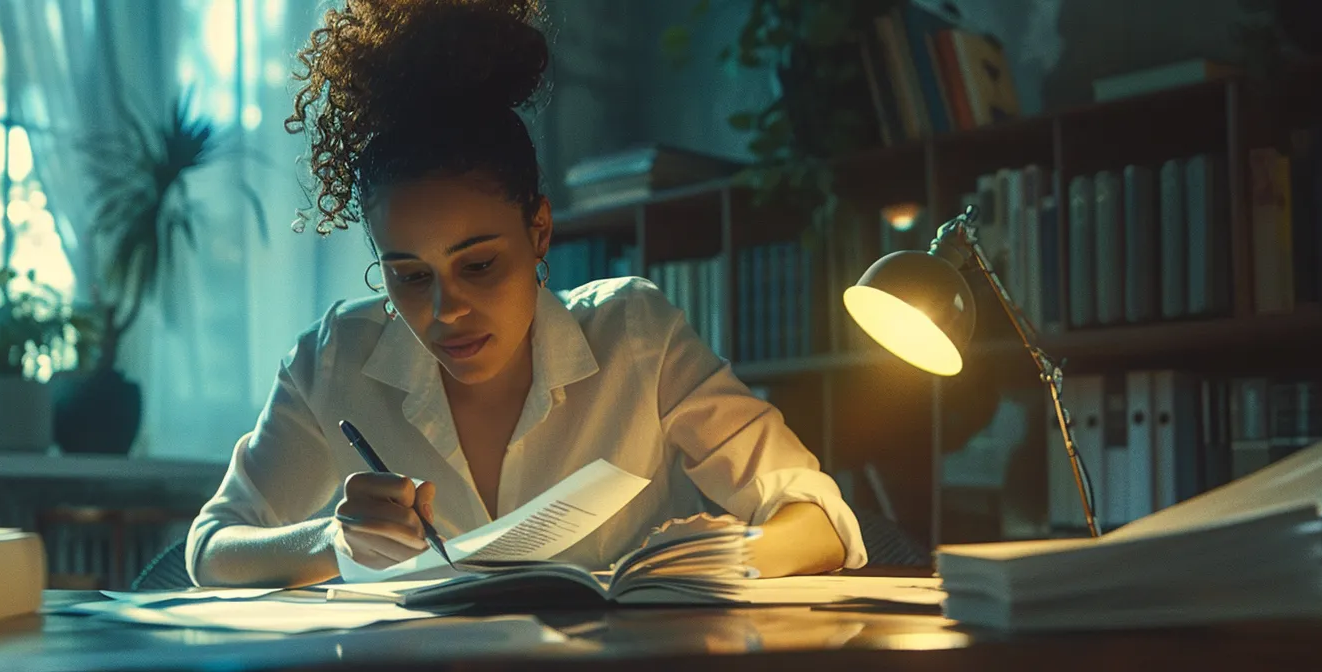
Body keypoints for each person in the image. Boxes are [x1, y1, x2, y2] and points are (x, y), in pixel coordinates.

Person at [185, 0, 867, 589]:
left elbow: (817, 515)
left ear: (539, 229)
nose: (446, 311)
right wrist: (330, 542)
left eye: (478, 265)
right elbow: (211, 549)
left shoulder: (635, 334)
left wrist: (722, 564)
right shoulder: (332, 359)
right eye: (410, 276)